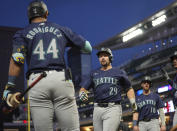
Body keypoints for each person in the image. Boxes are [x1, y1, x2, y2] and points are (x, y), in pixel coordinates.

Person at [2, 1, 92, 131]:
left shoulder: (22, 33)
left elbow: (17, 60)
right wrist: (65, 42)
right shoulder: (61, 29)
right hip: (61, 80)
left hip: (37, 82)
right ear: (46, 13)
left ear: (29, 16)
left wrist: (9, 87)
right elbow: (87, 48)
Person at [79, 47, 137, 131]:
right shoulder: (94, 73)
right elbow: (83, 89)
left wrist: (133, 103)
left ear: (110, 57)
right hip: (97, 109)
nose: (102, 58)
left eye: (105, 55)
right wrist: (81, 93)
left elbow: (129, 88)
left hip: (112, 108)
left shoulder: (119, 72)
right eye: (100, 56)